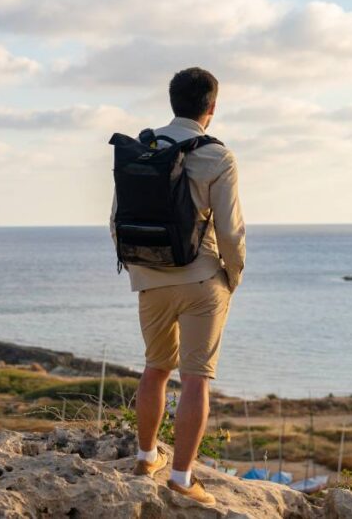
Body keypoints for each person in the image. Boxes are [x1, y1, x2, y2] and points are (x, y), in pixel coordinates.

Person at [110, 67, 245, 505]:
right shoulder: (218, 156)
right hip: (201, 277)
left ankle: (146, 456)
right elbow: (230, 231)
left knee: (155, 369)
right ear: (211, 107)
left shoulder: (141, 148)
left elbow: (115, 221)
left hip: (149, 279)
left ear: (172, 101)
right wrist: (232, 275)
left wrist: (141, 270)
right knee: (195, 380)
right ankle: (183, 478)